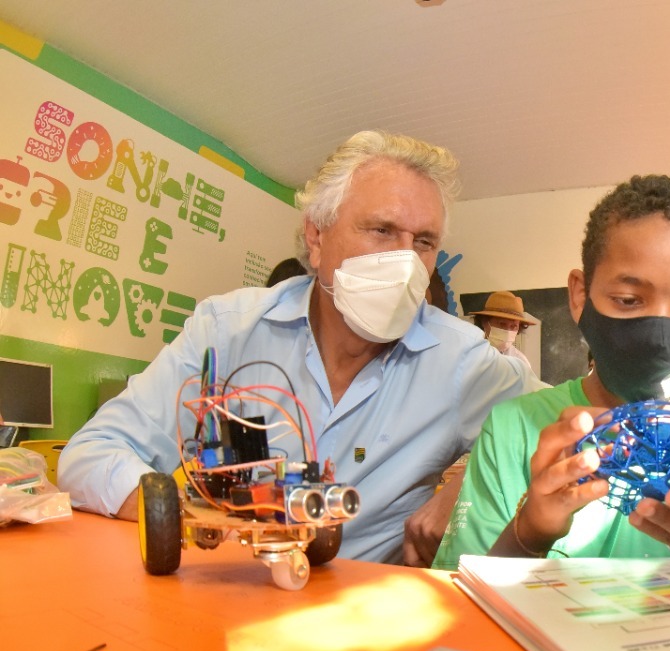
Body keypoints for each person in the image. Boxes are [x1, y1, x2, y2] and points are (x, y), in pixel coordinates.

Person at [58, 130, 540, 563]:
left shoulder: (461, 364)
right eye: (382, 230)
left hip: (358, 623)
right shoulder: (226, 330)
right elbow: (90, 456)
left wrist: (462, 489)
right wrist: (197, 518)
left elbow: (567, 427)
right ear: (316, 235)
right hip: (218, 598)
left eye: (423, 242)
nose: (405, 262)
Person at [433, 175, 670, 571]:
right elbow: (459, 603)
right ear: (581, 296)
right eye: (629, 300)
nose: (659, 335)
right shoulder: (511, 429)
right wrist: (528, 534)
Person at [473, 290, 537, 368]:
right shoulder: (469, 354)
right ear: (484, 322)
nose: (507, 331)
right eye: (502, 324)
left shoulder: (521, 363)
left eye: (513, 326)